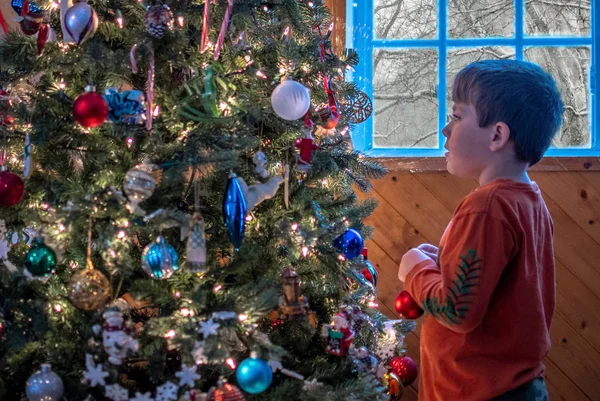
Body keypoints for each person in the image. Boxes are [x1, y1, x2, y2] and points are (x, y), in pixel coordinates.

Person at [397, 59, 564, 401]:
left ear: (498, 135)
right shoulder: (527, 200)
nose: (446, 130)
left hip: (477, 392)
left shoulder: (486, 207)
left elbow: (457, 310)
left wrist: (415, 270)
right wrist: (441, 262)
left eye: (457, 117)